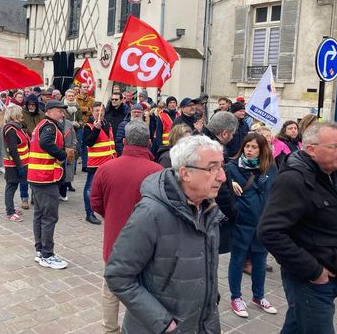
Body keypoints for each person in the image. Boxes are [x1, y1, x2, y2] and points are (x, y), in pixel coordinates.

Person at [105, 135, 226, 333]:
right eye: (212, 168)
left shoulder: (210, 209)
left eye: (221, 166)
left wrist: (210, 301)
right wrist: (164, 324)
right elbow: (118, 275)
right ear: (186, 173)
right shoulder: (150, 213)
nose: (222, 176)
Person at [258, 122, 337, 334]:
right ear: (311, 149)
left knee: (295, 327)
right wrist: (315, 272)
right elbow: (270, 232)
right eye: (336, 146)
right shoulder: (293, 179)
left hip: (333, 275)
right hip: (310, 282)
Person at [90, 120, 163, 333]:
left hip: (115, 240)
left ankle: (110, 328)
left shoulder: (105, 168)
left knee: (111, 288)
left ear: (123, 141)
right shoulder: (158, 171)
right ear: (149, 143)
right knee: (144, 290)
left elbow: (95, 202)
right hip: (148, 244)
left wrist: (112, 216)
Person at [227, 133, 278, 318]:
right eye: (247, 146)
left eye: (254, 147)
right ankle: (236, 297)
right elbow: (219, 185)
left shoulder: (270, 167)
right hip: (242, 222)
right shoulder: (232, 167)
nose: (249, 150)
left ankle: (259, 296)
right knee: (238, 259)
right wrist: (229, 183)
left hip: (263, 223)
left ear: (262, 150)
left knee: (259, 261)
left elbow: (276, 189)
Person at [27, 99, 70, 269]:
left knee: (39, 215)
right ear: (50, 111)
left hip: (38, 176)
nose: (62, 114)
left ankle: (40, 251)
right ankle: (47, 254)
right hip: (45, 177)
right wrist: (61, 155)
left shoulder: (42, 124)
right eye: (60, 111)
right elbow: (46, 143)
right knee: (49, 217)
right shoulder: (49, 126)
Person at [201, 111, 240, 254]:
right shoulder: (213, 150)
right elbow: (220, 188)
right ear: (224, 133)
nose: (232, 138)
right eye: (232, 134)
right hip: (209, 215)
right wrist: (233, 211)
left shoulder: (200, 140)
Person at [83, 102, 116, 225]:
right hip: (95, 163)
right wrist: (96, 130)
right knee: (90, 189)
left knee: (107, 189)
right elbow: (88, 142)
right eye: (97, 110)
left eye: (101, 110)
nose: (99, 112)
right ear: (92, 112)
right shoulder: (88, 126)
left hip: (109, 162)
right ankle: (89, 213)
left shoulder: (108, 124)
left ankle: (105, 210)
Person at [2, 104, 30, 221]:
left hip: (21, 162)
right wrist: (19, 166)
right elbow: (13, 149)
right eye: (20, 113)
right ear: (15, 115)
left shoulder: (17, 127)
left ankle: (11, 208)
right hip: (13, 164)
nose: (22, 115)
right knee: (11, 186)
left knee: (13, 186)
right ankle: (10, 212)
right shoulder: (11, 130)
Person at [63, 89, 82, 191]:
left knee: (73, 154)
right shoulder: (62, 107)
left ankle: (69, 181)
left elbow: (81, 120)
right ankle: (63, 181)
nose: (71, 97)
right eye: (69, 96)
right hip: (65, 132)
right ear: (66, 97)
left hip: (75, 131)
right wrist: (70, 123)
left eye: (72, 96)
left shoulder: (77, 107)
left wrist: (78, 123)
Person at [76, 83, 94, 170]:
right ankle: (74, 166)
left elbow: (92, 111)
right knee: (78, 145)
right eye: (84, 87)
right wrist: (86, 109)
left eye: (87, 87)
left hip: (88, 124)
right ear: (80, 89)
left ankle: (85, 165)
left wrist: (85, 110)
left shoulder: (91, 99)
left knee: (85, 145)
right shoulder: (76, 98)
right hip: (78, 124)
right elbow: (77, 109)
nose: (86, 89)